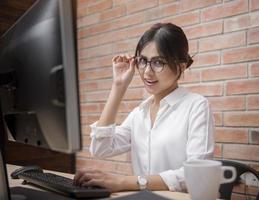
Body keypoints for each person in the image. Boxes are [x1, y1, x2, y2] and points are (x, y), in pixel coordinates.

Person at [74, 23, 214, 192]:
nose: (147, 71)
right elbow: (100, 149)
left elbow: (196, 175)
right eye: (143, 61)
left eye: (158, 62)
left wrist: (124, 182)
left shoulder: (196, 106)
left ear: (181, 67)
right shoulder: (139, 114)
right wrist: (118, 86)